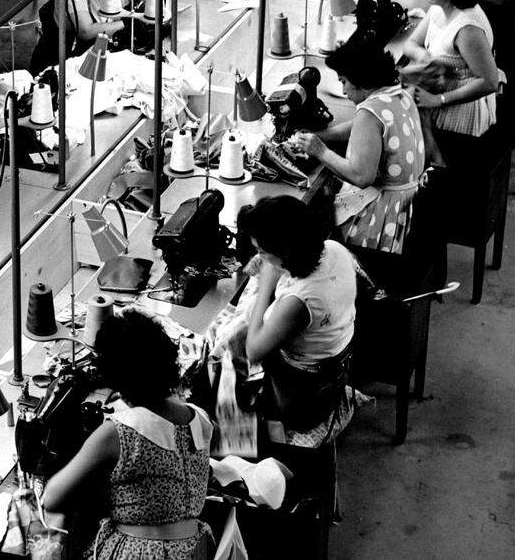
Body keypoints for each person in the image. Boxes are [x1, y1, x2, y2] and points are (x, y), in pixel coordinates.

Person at [41, 309, 214, 560]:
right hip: (196, 549)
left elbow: (52, 498)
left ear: (112, 375)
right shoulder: (201, 420)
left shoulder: (118, 432)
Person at [237, 196, 357, 435]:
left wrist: (265, 283)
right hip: (337, 366)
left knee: (225, 358)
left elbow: (254, 351)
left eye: (261, 250)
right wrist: (271, 261)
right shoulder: (335, 249)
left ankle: (240, 449)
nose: (259, 257)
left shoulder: (300, 302)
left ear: (285, 251)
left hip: (303, 398)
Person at [291, 40, 425, 254]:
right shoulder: (398, 96)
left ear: (360, 80)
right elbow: (359, 128)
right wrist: (320, 136)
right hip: (407, 210)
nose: (343, 90)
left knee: (304, 230)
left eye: (344, 81)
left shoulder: (369, 112)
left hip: (378, 223)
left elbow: (362, 177)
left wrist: (320, 151)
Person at [401, 0, 499, 140]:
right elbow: (410, 43)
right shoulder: (441, 7)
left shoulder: (467, 29)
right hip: (437, 96)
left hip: (460, 113)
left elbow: (489, 82)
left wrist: (439, 100)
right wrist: (424, 56)